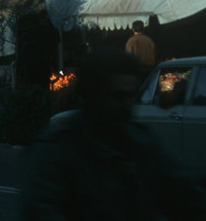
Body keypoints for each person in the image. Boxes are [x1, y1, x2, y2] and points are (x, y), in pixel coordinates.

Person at [21, 47, 205, 218]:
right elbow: (41, 208)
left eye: (130, 96)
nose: (127, 105)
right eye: (117, 96)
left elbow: (182, 189)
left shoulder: (139, 141)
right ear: (93, 96)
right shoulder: (60, 146)